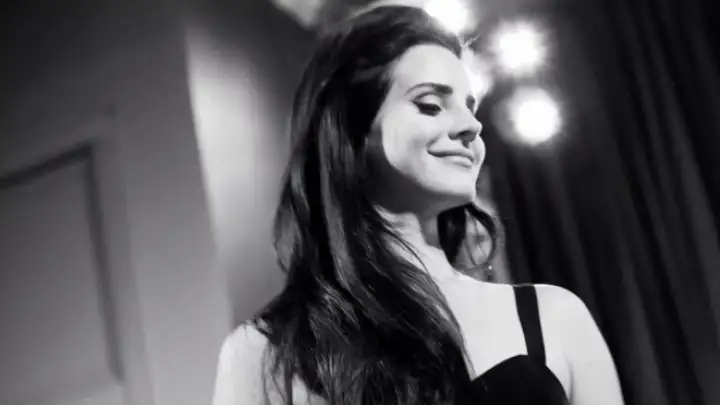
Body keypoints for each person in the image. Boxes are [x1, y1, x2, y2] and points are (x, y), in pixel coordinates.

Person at [213, 4, 624, 405]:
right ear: (352, 131)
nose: (472, 126)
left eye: (470, 107)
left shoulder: (556, 318)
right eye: (430, 105)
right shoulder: (264, 355)